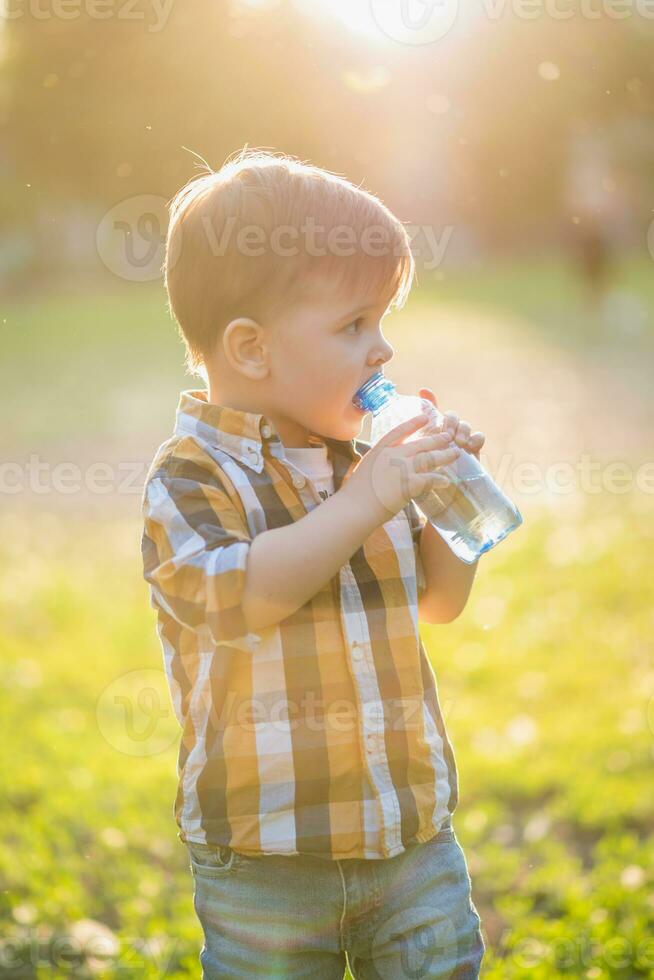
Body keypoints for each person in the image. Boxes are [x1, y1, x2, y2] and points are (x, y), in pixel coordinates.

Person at [141, 147, 486, 978]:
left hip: (408, 840)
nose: (383, 350)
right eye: (353, 325)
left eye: (382, 321)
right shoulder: (191, 477)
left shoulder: (356, 461)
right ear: (253, 350)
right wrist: (369, 497)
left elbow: (440, 601)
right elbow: (245, 598)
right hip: (266, 863)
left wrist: (448, 500)